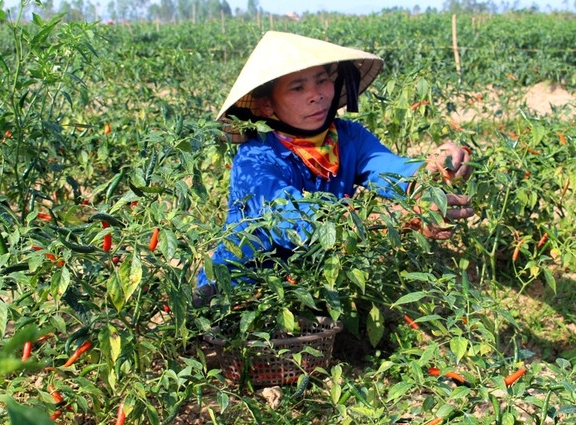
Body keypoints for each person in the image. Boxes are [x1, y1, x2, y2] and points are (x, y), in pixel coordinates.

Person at [193, 31, 474, 307]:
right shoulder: (255, 159)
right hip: (239, 288)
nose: (316, 95)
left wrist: (433, 167)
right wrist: (395, 219)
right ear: (266, 105)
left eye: (322, 80)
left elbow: (391, 170)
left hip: (307, 286)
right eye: (297, 87)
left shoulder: (348, 137)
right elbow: (294, 221)